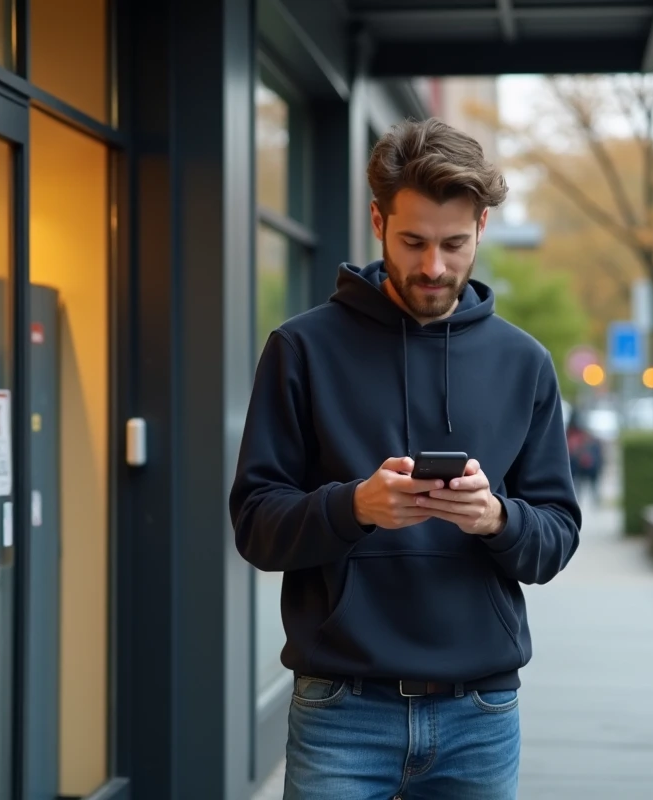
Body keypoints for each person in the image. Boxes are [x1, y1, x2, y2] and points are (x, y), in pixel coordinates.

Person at [229, 117, 581, 800]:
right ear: (378, 221)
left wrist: (495, 519)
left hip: (480, 714)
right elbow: (255, 527)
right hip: (341, 710)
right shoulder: (301, 350)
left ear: (482, 227)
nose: (433, 267)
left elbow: (556, 540)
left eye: (453, 244)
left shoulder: (525, 363)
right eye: (413, 242)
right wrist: (353, 507)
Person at [566, 413, 603, 506]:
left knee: (583, 483)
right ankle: (578, 500)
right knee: (578, 484)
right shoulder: (573, 435)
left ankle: (589, 499)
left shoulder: (578, 435)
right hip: (577, 465)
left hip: (583, 465)